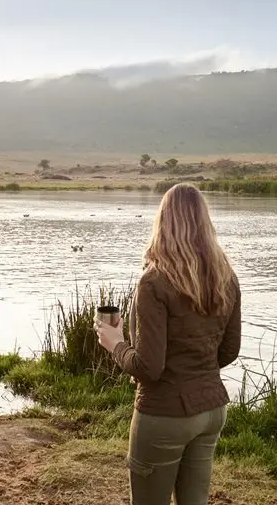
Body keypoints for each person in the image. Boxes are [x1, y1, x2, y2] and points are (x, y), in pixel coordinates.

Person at [95, 183, 242, 505]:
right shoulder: (226, 277)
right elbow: (229, 351)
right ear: (205, 223)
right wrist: (195, 371)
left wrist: (115, 343)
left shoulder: (154, 282)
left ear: (163, 222)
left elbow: (149, 368)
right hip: (212, 409)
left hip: (164, 414)